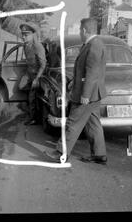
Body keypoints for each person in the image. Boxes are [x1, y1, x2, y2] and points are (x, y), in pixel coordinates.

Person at [44, 18, 108, 164]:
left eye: (80, 30)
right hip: (94, 94)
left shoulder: (94, 46)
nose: (80, 33)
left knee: (73, 123)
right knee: (93, 123)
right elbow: (86, 71)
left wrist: (85, 94)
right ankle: (99, 154)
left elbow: (92, 73)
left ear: (84, 30)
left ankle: (61, 153)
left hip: (88, 94)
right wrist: (75, 81)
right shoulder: (93, 44)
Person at [19, 22, 47, 125]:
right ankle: (32, 106)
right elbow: (28, 61)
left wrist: (36, 79)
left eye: (26, 35)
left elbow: (43, 64)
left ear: (33, 35)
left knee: (32, 97)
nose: (23, 37)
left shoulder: (38, 46)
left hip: (37, 75)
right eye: (23, 34)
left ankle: (34, 118)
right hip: (29, 74)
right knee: (21, 86)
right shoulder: (26, 46)